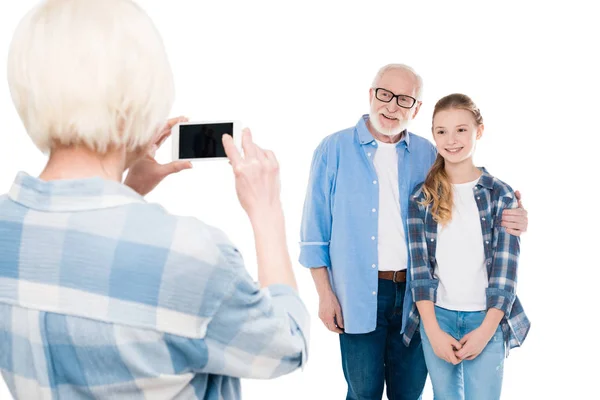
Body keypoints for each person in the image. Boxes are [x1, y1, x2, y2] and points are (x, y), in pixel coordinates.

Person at [0, 0, 308, 399]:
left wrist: (126, 189)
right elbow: (288, 346)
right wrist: (267, 213)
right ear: (136, 101)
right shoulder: (190, 254)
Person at [299, 64, 528, 400]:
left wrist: (515, 212)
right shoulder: (333, 149)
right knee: (363, 391)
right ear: (370, 95)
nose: (392, 106)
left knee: (410, 392)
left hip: (416, 297)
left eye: (404, 99)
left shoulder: (426, 153)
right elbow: (313, 232)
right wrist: (324, 294)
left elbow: (468, 186)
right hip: (357, 293)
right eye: (385, 94)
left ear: (416, 109)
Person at [403, 93, 530, 400]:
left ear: (479, 131)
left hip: (487, 318)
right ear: (433, 134)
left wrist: (486, 331)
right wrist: (432, 331)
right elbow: (420, 272)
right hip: (437, 317)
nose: (451, 140)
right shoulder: (422, 198)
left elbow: (505, 274)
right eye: (441, 131)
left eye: (461, 129)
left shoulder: (500, 195)